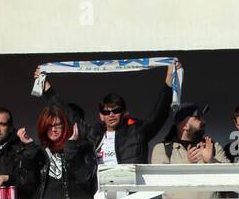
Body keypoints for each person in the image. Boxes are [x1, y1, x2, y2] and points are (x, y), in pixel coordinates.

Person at [40, 65, 174, 166]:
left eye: (115, 111)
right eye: (106, 112)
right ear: (101, 116)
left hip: (129, 192)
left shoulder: (137, 132)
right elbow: (69, 115)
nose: (111, 115)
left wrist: (169, 80)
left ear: (124, 113)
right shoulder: (93, 134)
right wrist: (47, 89)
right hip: (100, 191)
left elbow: (159, 115)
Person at [14, 106, 96, 199]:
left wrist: (71, 150)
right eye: (49, 126)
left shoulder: (83, 148)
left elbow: (86, 181)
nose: (54, 129)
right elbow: (27, 185)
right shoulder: (39, 152)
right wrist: (29, 150)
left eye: (57, 125)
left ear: (65, 126)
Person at [149, 104, 229, 199]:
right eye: (197, 117)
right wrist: (187, 162)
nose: (203, 121)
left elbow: (230, 177)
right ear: (185, 125)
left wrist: (211, 161)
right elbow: (159, 180)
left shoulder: (212, 146)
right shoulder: (162, 148)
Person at [0, 108, 31, 198]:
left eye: (2, 124)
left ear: (11, 127)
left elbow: (31, 181)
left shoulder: (21, 149)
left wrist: (8, 178)